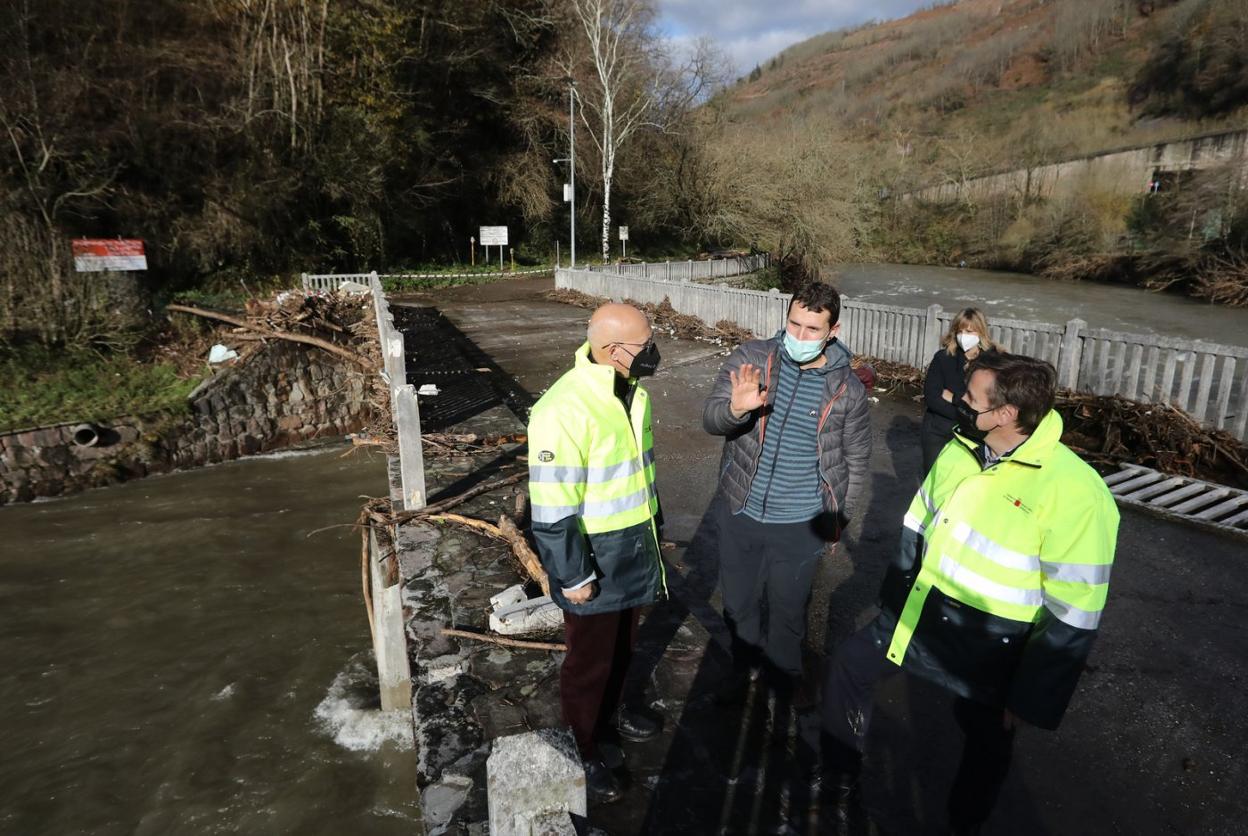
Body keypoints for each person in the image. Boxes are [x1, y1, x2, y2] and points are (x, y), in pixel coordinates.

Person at [820, 352, 1120, 834]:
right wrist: (896, 601)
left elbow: (1076, 609)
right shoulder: (961, 449)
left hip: (991, 643)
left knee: (987, 742)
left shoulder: (1078, 493)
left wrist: (1030, 695)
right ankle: (837, 775)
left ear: (1005, 414)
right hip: (919, 613)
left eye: (969, 398)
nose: (958, 403)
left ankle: (964, 825)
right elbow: (918, 525)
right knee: (849, 668)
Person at [703, 280, 872, 700]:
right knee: (738, 606)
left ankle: (783, 687)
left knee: (788, 614)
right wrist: (735, 410)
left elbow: (856, 461)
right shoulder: (751, 360)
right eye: (793, 324)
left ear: (832, 331)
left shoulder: (847, 389)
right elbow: (711, 419)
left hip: (800, 523)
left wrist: (835, 522)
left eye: (811, 330)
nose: (798, 337)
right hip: (740, 509)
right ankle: (742, 673)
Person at [526, 303, 665, 805]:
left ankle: (610, 720)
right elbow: (552, 507)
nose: (653, 350)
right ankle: (581, 745)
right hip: (593, 559)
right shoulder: (563, 408)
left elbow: (636, 475)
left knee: (624, 648)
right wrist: (572, 574)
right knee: (588, 664)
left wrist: (654, 531)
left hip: (633, 547)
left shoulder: (632, 393)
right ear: (611, 350)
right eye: (645, 343)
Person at [921, 308, 995, 474]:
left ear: (980, 332)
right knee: (933, 480)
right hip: (938, 431)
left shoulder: (993, 362)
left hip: (975, 435)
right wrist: (969, 412)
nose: (964, 336)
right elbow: (932, 397)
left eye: (969, 331)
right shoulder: (943, 357)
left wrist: (954, 398)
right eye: (960, 331)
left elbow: (989, 403)